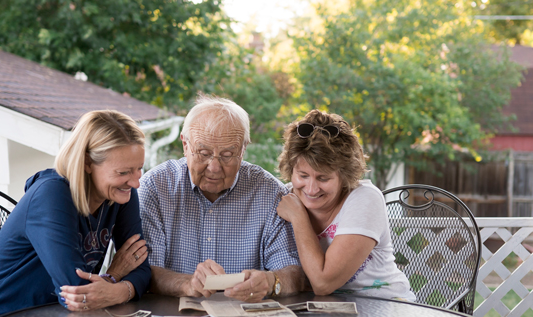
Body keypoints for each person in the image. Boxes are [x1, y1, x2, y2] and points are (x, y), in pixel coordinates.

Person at [0, 110, 151, 317]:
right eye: (123, 172)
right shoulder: (51, 195)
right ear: (87, 163)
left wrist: (115, 289)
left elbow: (142, 269)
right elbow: (76, 292)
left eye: (138, 169)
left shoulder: (122, 195)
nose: (135, 182)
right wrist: (115, 276)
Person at [138, 94, 304, 302]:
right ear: (185, 145)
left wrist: (272, 282)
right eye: (203, 152)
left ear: (243, 150)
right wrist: (187, 284)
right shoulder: (155, 187)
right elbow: (144, 271)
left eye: (227, 155)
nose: (214, 167)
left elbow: (294, 273)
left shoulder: (269, 192)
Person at [276, 109, 415, 301]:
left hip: (384, 308)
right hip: (322, 313)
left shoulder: (365, 198)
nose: (311, 188)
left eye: (323, 178)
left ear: (345, 176)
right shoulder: (286, 197)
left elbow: (323, 283)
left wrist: (299, 218)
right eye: (303, 175)